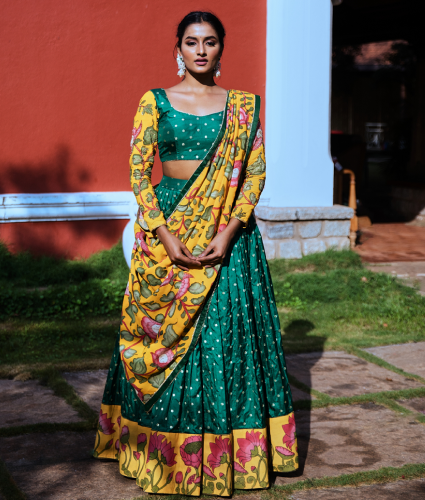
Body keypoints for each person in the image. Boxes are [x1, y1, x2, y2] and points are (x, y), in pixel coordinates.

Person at [93, 11, 298, 496]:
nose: (201, 50)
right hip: (168, 230)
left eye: (209, 42)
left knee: (225, 337)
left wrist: (230, 231)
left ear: (221, 49)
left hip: (229, 236)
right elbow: (140, 172)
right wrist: (163, 233)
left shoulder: (243, 108)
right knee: (160, 335)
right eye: (191, 42)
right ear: (178, 50)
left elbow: (254, 173)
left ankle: (225, 456)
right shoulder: (155, 103)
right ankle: (154, 452)